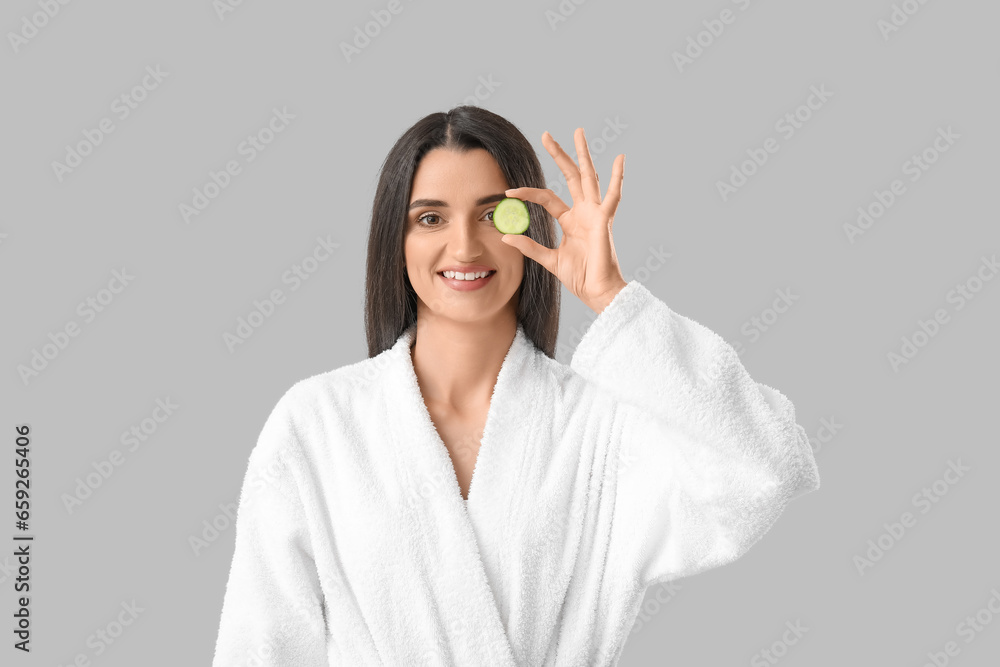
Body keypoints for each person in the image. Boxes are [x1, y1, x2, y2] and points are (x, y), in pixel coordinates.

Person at [211, 106, 821, 666]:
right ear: (395, 242)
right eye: (430, 218)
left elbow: (769, 468)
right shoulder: (318, 424)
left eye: (491, 214)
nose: (465, 246)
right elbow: (258, 646)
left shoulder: (602, 430)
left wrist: (610, 298)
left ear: (531, 228)